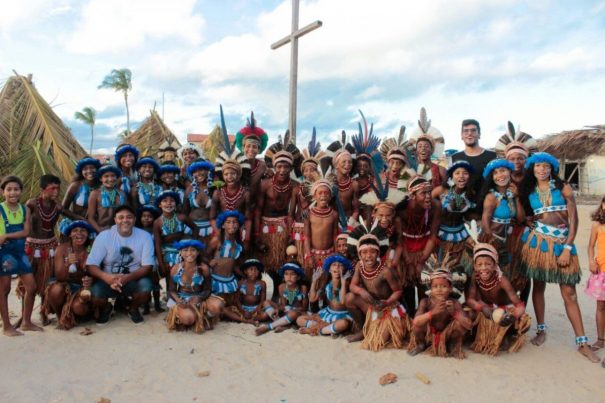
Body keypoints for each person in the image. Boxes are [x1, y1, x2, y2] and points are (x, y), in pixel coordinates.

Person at [519, 152, 600, 362]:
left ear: (551, 168)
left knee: (569, 293)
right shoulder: (528, 190)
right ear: (532, 168)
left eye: (546, 166)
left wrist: (568, 246)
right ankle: (541, 329)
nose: (542, 170)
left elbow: (574, 219)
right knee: (538, 286)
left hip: (563, 244)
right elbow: (523, 214)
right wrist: (528, 220)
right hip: (538, 243)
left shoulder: (562, 187)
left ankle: (582, 342)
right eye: (538, 166)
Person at [86, 205, 154, 325]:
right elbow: (91, 265)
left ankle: (132, 309)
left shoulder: (145, 236)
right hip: (108, 279)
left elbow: (147, 266)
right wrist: (107, 277)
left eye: (129, 217)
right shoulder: (104, 236)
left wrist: (126, 278)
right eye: (120, 217)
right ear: (115, 220)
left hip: (132, 278)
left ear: (134, 219)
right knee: (95, 296)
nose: (125, 220)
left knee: (146, 288)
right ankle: (107, 307)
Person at [495, 122, 538, 303]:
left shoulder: (533, 179)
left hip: (527, 231)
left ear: (526, 159)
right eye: (512, 159)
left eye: (520, 158)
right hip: (506, 231)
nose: (516, 162)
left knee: (524, 271)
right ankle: (507, 308)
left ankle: (522, 310)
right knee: (506, 269)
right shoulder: (502, 177)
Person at [344, 231, 407, 351]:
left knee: (377, 342)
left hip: (387, 308)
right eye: (364, 252)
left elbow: (398, 291)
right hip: (371, 304)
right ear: (359, 254)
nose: (368, 255)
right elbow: (352, 285)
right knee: (349, 298)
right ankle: (362, 330)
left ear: (378, 253)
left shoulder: (386, 271)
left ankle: (379, 328)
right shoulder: (359, 266)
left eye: (372, 252)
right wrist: (361, 291)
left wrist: (387, 302)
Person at [466, 243, 531, 355]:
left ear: (495, 265)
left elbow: (520, 306)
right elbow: (470, 300)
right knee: (469, 313)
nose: (483, 268)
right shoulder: (475, 277)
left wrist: (513, 316)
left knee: (519, 319)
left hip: (505, 309)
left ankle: (507, 334)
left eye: (488, 264)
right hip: (487, 307)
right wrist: (482, 307)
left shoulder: (502, 280)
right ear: (475, 266)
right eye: (479, 264)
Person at [0, 176, 41, 336]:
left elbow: (26, 232)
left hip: (19, 252)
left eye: (16, 189)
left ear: (21, 191)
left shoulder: (25, 209)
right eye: (9, 189)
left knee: (31, 286)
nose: (13, 192)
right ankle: (7, 326)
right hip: (4, 254)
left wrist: (7, 236)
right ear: (3, 192)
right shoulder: (0, 209)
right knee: (4, 290)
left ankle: (26, 322)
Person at [24, 175, 67, 322]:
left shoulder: (57, 206)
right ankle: (25, 318)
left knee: (46, 282)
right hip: (31, 248)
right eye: (52, 188)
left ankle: (44, 312)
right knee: (27, 283)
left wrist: (87, 222)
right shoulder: (31, 204)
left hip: (50, 248)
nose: (56, 191)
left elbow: (70, 215)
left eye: (58, 188)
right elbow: (22, 220)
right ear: (42, 189)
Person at [256, 146, 299, 287]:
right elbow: (258, 210)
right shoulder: (265, 184)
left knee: (281, 260)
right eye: (279, 166)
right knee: (266, 262)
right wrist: (257, 234)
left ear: (291, 168)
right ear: (274, 167)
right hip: (265, 226)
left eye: (286, 167)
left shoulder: (294, 186)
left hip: (283, 225)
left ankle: (281, 292)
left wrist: (291, 235)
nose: (282, 170)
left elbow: (291, 213)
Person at [398, 176, 441, 315]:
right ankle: (410, 317)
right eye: (424, 193)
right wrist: (409, 263)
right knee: (406, 284)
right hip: (405, 248)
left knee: (426, 283)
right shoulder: (402, 210)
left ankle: (425, 316)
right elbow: (399, 240)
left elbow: (433, 236)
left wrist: (421, 261)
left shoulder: (435, 206)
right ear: (413, 196)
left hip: (426, 246)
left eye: (430, 192)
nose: (428, 197)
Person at [408, 269, 472, 358]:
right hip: (430, 334)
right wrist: (432, 312)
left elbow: (468, 325)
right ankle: (421, 344)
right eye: (435, 286)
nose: (439, 289)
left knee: (459, 324)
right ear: (431, 288)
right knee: (418, 325)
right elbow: (416, 322)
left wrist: (455, 313)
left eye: (444, 286)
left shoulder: (454, 302)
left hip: (447, 335)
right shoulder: (425, 302)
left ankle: (452, 345)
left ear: (450, 288)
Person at [43, 221, 95, 330]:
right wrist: (67, 266)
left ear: (88, 234)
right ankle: (60, 316)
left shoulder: (92, 249)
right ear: (70, 234)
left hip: (82, 287)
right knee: (56, 290)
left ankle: (79, 313)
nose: (79, 233)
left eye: (83, 230)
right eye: (75, 231)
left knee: (79, 308)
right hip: (65, 286)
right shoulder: (62, 249)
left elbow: (98, 272)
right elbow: (59, 277)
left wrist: (91, 279)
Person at [478, 159, 524, 283]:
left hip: (507, 241)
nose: (500, 175)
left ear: (509, 172)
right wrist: (490, 240)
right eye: (495, 173)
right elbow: (485, 220)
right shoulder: (491, 197)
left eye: (502, 171)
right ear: (492, 177)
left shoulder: (511, 194)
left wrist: (517, 196)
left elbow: (520, 219)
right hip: (492, 239)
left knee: (507, 275)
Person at [432, 160, 476, 277]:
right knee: (440, 267)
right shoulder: (441, 190)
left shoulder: (470, 193)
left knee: (459, 268)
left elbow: (471, 216)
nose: (461, 176)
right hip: (441, 234)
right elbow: (427, 206)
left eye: (465, 173)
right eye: (457, 173)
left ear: (470, 176)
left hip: (460, 234)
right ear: (451, 176)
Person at [206, 210, 247, 323]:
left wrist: (244, 277)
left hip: (229, 280)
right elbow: (204, 256)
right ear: (222, 225)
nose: (232, 225)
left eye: (234, 222)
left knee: (227, 305)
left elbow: (233, 265)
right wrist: (210, 262)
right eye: (228, 222)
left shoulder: (238, 245)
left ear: (239, 225)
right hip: (215, 280)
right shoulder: (217, 241)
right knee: (217, 307)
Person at [297, 254, 353, 336]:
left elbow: (342, 301)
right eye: (334, 265)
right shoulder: (327, 283)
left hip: (341, 315)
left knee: (343, 324)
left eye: (340, 265)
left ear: (344, 269)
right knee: (299, 319)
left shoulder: (347, 283)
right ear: (329, 269)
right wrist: (314, 281)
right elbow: (312, 299)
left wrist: (343, 283)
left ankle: (316, 330)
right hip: (327, 313)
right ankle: (327, 329)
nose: (337, 267)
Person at [166, 239, 212, 333]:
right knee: (188, 318)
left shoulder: (204, 268)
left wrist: (199, 298)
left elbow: (208, 289)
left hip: (198, 297)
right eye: (185, 250)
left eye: (193, 250)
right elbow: (171, 290)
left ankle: (197, 316)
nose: (189, 253)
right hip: (182, 298)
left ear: (198, 252)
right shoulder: (176, 269)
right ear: (181, 252)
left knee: (217, 306)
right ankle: (186, 318)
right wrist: (178, 301)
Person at [255, 262, 308, 336]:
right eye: (286, 274)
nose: (289, 277)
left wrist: (294, 310)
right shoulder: (282, 287)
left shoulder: (302, 288)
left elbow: (304, 308)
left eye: (292, 274)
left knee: (293, 313)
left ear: (298, 277)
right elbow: (283, 305)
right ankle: (283, 324)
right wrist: (278, 309)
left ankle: (269, 326)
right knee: (266, 302)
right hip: (285, 311)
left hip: (296, 313)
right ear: (283, 276)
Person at [303, 179, 339, 279]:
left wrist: (336, 253)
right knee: (312, 280)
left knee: (326, 280)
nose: (323, 195)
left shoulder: (334, 214)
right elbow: (306, 236)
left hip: (329, 253)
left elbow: (335, 235)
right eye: (320, 193)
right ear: (314, 196)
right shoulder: (308, 214)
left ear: (330, 196)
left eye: (326, 193)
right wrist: (309, 255)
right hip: (313, 254)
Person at [452, 119, 496, 196]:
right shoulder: (455, 158)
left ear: (479, 134)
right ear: (461, 136)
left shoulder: (492, 156)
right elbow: (451, 185)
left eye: (473, 130)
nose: (469, 133)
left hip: (488, 203)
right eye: (466, 131)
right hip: (464, 205)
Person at [585, 196, 605, 362]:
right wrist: (591, 261)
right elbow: (591, 246)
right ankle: (600, 339)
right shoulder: (597, 225)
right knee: (601, 306)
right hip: (602, 272)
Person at [59, 157, 100, 234]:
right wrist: (81, 219)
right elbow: (63, 209)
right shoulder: (76, 186)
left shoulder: (102, 186)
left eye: (92, 168)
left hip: (96, 227)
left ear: (97, 169)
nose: (89, 171)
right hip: (77, 227)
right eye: (85, 168)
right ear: (81, 171)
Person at [409, 107, 446, 189]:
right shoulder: (412, 168)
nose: (423, 149)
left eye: (426, 146)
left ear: (432, 150)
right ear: (416, 150)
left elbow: (447, 185)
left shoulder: (439, 166)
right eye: (420, 146)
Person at [87, 165, 127, 233]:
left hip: (120, 231)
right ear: (100, 179)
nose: (110, 179)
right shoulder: (95, 194)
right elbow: (90, 218)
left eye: (113, 176)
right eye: (106, 176)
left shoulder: (122, 193)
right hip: (101, 230)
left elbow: (126, 214)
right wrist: (100, 232)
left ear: (116, 177)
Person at [184, 160, 215, 245]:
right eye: (194, 171)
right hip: (192, 228)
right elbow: (185, 212)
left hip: (209, 228)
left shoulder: (214, 188)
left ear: (208, 171)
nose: (198, 173)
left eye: (201, 170)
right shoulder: (189, 189)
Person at [236, 259, 269, 324]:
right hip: (242, 309)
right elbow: (237, 300)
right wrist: (243, 311)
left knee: (265, 315)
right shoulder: (240, 283)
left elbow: (262, 301)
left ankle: (249, 318)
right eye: (251, 269)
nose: (254, 272)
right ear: (245, 271)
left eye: (256, 270)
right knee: (226, 310)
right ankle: (247, 320)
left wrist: (253, 312)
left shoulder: (262, 283)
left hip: (256, 309)